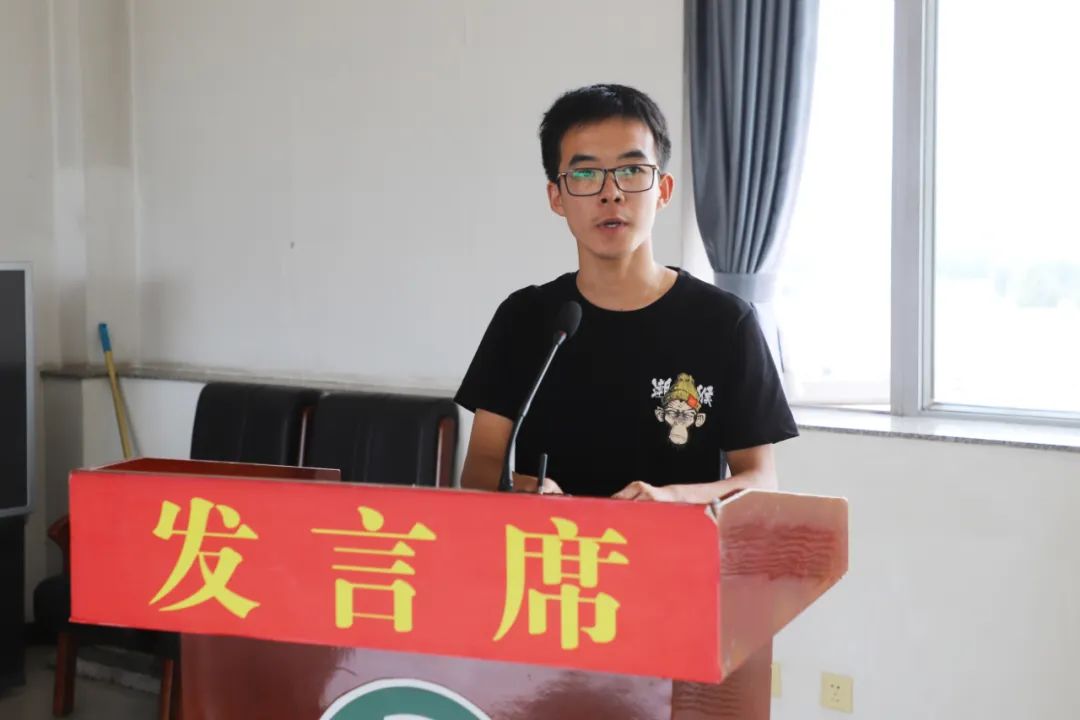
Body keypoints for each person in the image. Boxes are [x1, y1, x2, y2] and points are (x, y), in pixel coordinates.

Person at [454, 83, 797, 503]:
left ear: (663, 190)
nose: (611, 192)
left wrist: (671, 499)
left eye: (632, 170)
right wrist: (528, 489)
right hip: (548, 542)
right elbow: (479, 469)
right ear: (556, 197)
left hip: (672, 543)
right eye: (585, 174)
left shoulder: (725, 322)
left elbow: (759, 480)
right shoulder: (525, 318)